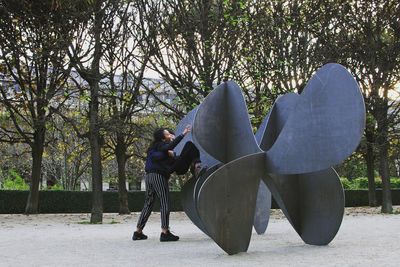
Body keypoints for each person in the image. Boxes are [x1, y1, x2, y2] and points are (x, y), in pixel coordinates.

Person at [133, 125, 201, 242]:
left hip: (149, 176)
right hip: (158, 175)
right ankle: (165, 232)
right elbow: (168, 148)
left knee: (148, 204)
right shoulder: (161, 146)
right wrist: (182, 134)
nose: (170, 134)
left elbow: (174, 158)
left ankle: (138, 232)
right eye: (167, 134)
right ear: (162, 138)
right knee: (165, 202)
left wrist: (173, 154)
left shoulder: (156, 149)